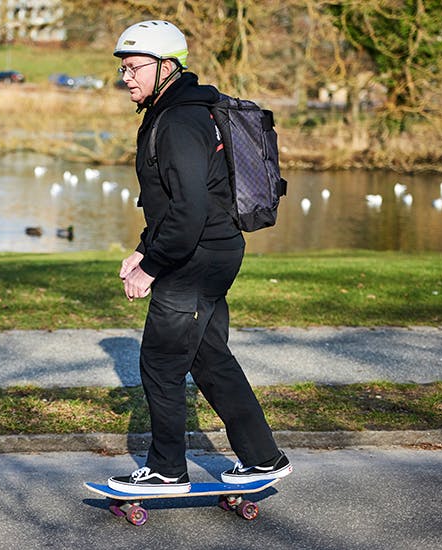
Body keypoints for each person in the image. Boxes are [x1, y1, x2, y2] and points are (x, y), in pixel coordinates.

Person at [107, 20, 292, 495]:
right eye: (122, 69)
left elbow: (187, 211)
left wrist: (150, 267)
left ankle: (167, 469)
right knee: (209, 357)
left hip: (195, 257)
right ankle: (263, 458)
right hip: (213, 249)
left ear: (166, 66)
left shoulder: (179, 121)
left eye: (133, 67)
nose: (125, 77)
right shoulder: (181, 111)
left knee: (161, 362)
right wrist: (142, 248)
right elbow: (175, 202)